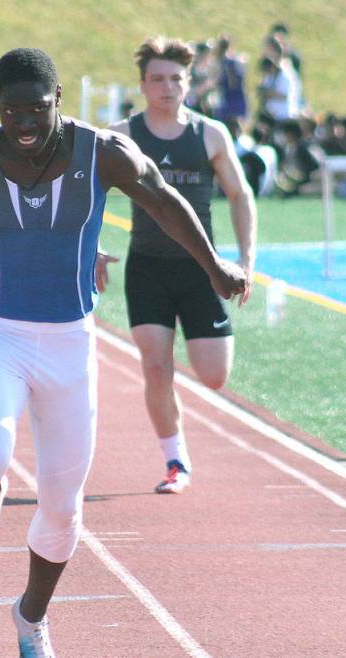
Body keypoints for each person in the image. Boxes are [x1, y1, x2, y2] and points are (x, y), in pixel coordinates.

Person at [0, 48, 248, 657]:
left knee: (64, 512)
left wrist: (214, 266)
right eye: (12, 111)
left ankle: (29, 618)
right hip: (0, 335)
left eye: (36, 109)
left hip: (70, 343)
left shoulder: (103, 152)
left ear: (58, 99)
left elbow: (164, 201)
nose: (25, 124)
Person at [103, 37, 256, 494]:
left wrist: (246, 259)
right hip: (147, 265)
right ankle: (176, 461)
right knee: (156, 368)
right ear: (143, 85)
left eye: (175, 79)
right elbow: (86, 192)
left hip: (201, 268)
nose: (167, 88)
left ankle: (175, 402)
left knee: (213, 375)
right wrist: (89, 247)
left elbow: (240, 193)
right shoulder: (123, 136)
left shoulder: (209, 135)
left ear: (189, 83)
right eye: (157, 80)